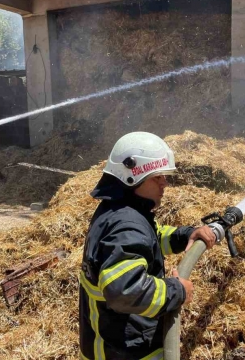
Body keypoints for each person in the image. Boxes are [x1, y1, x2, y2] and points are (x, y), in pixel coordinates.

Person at [79, 132, 217, 359]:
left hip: (111, 344)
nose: (165, 183)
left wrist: (187, 235)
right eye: (157, 177)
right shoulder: (126, 225)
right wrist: (177, 290)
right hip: (124, 351)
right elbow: (124, 290)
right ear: (132, 177)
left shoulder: (119, 211)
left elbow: (150, 239)